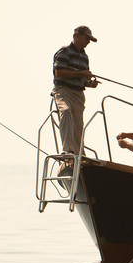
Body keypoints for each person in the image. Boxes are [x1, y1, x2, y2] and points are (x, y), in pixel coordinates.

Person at [52, 26, 99, 172]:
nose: (88, 42)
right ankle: (68, 150)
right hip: (63, 90)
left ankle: (79, 154)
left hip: (78, 94)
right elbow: (59, 72)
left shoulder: (84, 56)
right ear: (77, 36)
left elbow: (83, 80)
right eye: (87, 39)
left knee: (78, 124)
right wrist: (80, 74)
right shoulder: (64, 52)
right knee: (65, 111)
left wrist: (91, 83)